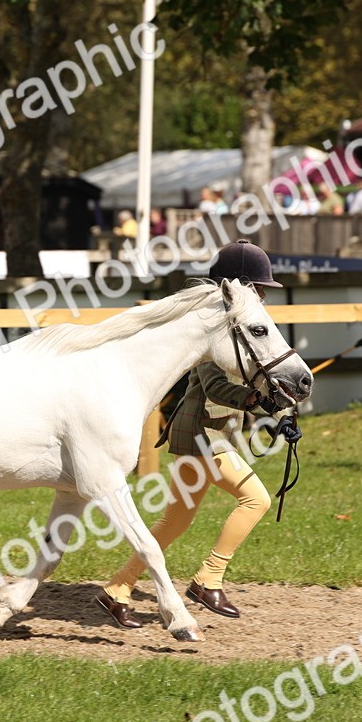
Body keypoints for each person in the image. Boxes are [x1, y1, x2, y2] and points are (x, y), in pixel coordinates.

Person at [94, 239, 301, 628]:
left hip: (208, 436)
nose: (260, 296)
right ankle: (209, 579)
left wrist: (279, 405)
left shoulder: (239, 327)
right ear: (236, 286)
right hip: (202, 437)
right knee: (255, 499)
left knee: (175, 521)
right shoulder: (211, 328)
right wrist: (258, 401)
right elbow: (215, 388)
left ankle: (117, 588)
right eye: (256, 288)